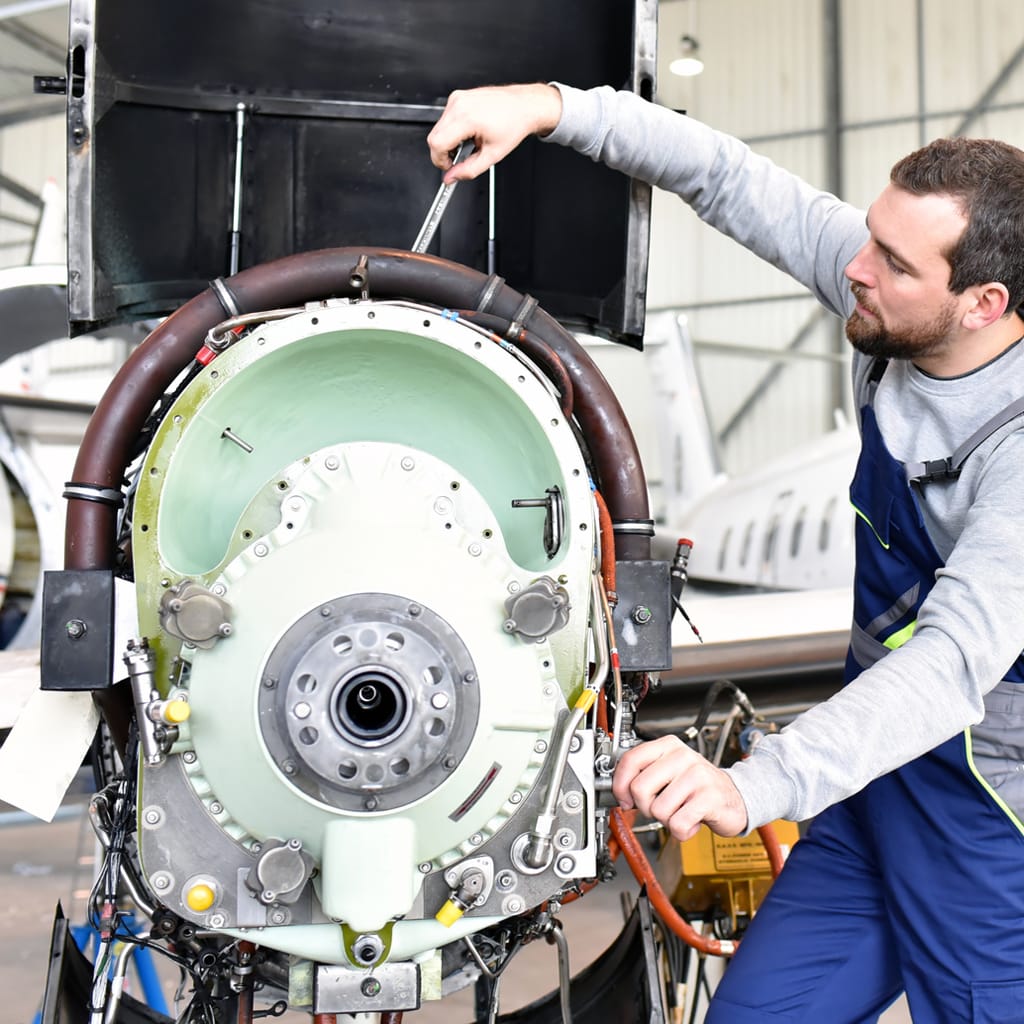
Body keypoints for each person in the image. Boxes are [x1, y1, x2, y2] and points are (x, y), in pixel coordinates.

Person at [428, 83, 1024, 1023]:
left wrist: (755, 785)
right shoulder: (892, 301)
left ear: (983, 304)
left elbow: (949, 665)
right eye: (867, 235)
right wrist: (546, 109)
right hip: (873, 784)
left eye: (893, 262)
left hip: (991, 813)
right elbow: (723, 175)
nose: (854, 267)